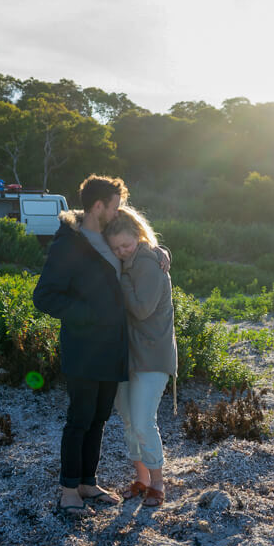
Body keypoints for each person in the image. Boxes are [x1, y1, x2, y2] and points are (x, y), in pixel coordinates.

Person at [32, 175, 130, 517]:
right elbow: (43, 296)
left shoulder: (109, 235)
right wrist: (88, 315)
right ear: (98, 206)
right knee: (80, 419)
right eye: (115, 206)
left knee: (100, 418)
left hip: (112, 346)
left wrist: (162, 251)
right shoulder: (69, 244)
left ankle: (89, 482)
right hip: (84, 346)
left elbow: (139, 243)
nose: (118, 212)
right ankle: (69, 489)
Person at [103, 206, 177, 508]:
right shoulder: (133, 260)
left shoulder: (147, 262)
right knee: (130, 420)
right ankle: (142, 478)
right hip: (129, 352)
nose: (121, 251)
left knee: (144, 421)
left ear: (139, 236)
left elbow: (142, 309)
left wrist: (119, 280)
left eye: (127, 245)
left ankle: (158, 482)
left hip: (152, 353)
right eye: (116, 248)